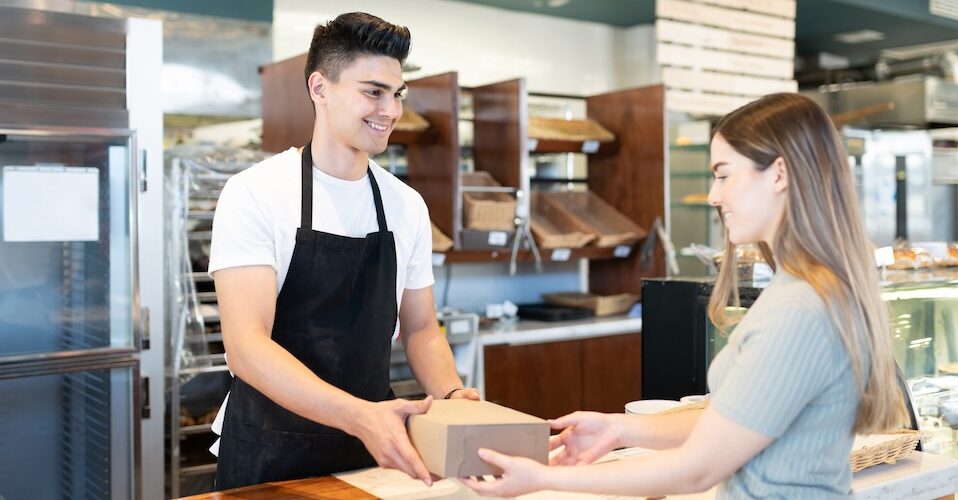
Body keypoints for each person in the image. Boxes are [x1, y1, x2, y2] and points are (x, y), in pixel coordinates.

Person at [462, 93, 907, 498]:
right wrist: (619, 428)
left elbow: (696, 470)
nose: (714, 195)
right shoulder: (807, 288)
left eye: (724, 175)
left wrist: (542, 479)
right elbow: (736, 422)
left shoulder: (800, 309)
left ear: (779, 174)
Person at [208, 12, 478, 490]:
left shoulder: (405, 204)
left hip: (373, 450)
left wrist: (453, 394)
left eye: (397, 94)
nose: (390, 110)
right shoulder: (256, 193)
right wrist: (360, 416)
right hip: (271, 451)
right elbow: (247, 347)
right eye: (373, 92)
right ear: (320, 88)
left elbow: (420, 329)